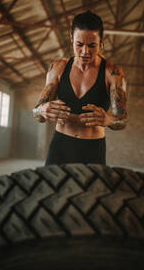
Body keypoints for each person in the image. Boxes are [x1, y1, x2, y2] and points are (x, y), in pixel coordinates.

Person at [32, 10, 128, 167]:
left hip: (93, 149)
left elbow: (123, 119)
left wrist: (109, 119)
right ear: (71, 39)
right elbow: (37, 115)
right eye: (79, 44)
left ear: (101, 41)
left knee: (93, 193)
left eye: (92, 45)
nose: (85, 51)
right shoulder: (57, 68)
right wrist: (42, 110)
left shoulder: (112, 73)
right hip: (60, 147)